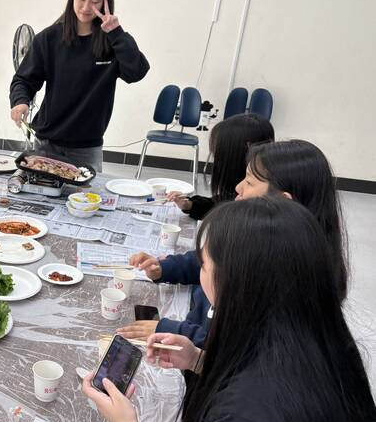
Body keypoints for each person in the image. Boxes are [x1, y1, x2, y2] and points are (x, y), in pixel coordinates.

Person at [84, 198, 376, 422]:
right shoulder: (320, 335)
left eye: (204, 264)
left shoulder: (242, 420)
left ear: (236, 283)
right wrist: (200, 360)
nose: (200, 273)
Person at [119, 139, 347, 345]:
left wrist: (172, 330)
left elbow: (230, 347)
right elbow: (209, 259)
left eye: (249, 182)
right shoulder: (257, 235)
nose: (238, 188)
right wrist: (165, 268)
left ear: (283, 201)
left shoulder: (283, 280)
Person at [9, 0, 149, 172]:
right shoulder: (49, 38)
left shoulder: (112, 42)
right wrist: (20, 102)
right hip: (46, 144)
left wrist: (117, 33)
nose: (85, 8)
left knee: (87, 203)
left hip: (87, 148)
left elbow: (137, 71)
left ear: (105, 1)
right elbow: (24, 79)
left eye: (94, 1)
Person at [166, 113, 274, 220]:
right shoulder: (247, 182)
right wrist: (190, 205)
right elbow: (222, 203)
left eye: (220, 153)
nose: (216, 158)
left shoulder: (261, 200)